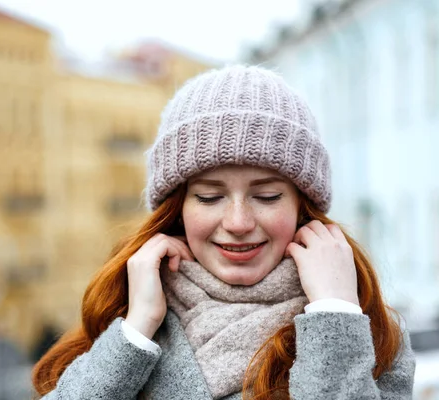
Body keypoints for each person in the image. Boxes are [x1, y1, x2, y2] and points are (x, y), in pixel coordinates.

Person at [32, 65, 416, 399]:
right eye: (209, 196)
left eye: (266, 196)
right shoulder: (126, 315)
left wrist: (333, 314)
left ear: (303, 205)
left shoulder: (371, 331)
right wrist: (137, 329)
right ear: (177, 209)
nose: (237, 222)